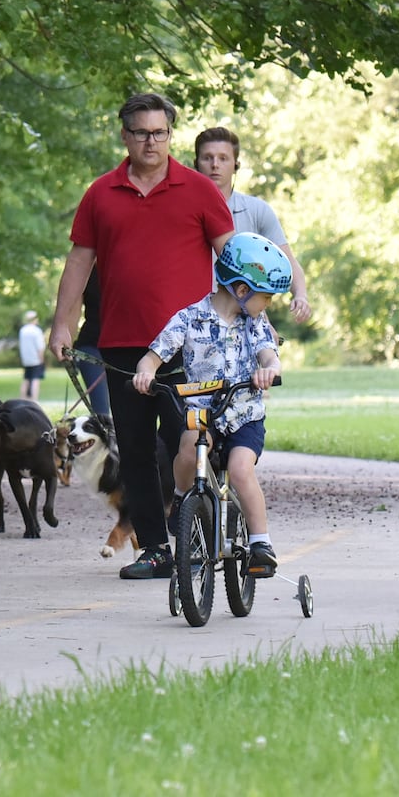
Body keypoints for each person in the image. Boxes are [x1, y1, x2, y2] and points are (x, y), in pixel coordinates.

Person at [48, 92, 234, 580]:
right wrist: (62, 323)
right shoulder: (100, 194)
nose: (152, 142)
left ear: (170, 134)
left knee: (185, 442)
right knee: (133, 449)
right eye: (142, 133)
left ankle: (202, 531)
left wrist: (246, 320)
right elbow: (79, 261)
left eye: (160, 133)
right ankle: (154, 548)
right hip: (122, 343)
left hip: (188, 347)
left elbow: (232, 258)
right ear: (124, 135)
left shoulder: (198, 190)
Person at [131, 233, 289, 576]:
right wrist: (146, 373)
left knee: (240, 469)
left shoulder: (255, 323)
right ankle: (184, 500)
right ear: (242, 290)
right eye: (267, 298)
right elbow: (153, 356)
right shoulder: (188, 318)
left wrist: (270, 370)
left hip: (245, 414)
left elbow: (268, 354)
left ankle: (261, 542)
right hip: (203, 413)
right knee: (188, 450)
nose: (268, 306)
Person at [193, 126, 311, 323]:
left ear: (236, 164)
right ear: (196, 163)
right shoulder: (183, 210)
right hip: (195, 319)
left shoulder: (257, 210)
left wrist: (300, 295)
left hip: (246, 318)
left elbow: (287, 260)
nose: (215, 165)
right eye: (207, 158)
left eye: (223, 158)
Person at [72, 269, 111, 417]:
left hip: (123, 345)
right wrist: (66, 341)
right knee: (100, 409)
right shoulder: (85, 270)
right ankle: (103, 437)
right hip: (91, 344)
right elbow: (73, 309)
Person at [17, 310, 46, 402]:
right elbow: (40, 347)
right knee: (35, 379)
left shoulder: (23, 330)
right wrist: (41, 359)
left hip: (26, 359)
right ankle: (34, 400)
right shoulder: (36, 331)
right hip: (35, 359)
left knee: (26, 379)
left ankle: (23, 398)